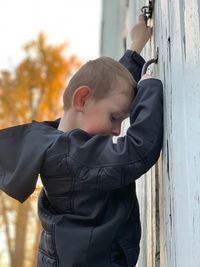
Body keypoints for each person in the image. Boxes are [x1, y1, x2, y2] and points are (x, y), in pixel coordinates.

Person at [0, 15, 163, 267]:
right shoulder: (72, 156)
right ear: (82, 100)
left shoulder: (58, 143)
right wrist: (151, 86)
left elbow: (109, 90)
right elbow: (138, 151)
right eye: (114, 119)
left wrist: (135, 48)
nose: (118, 131)